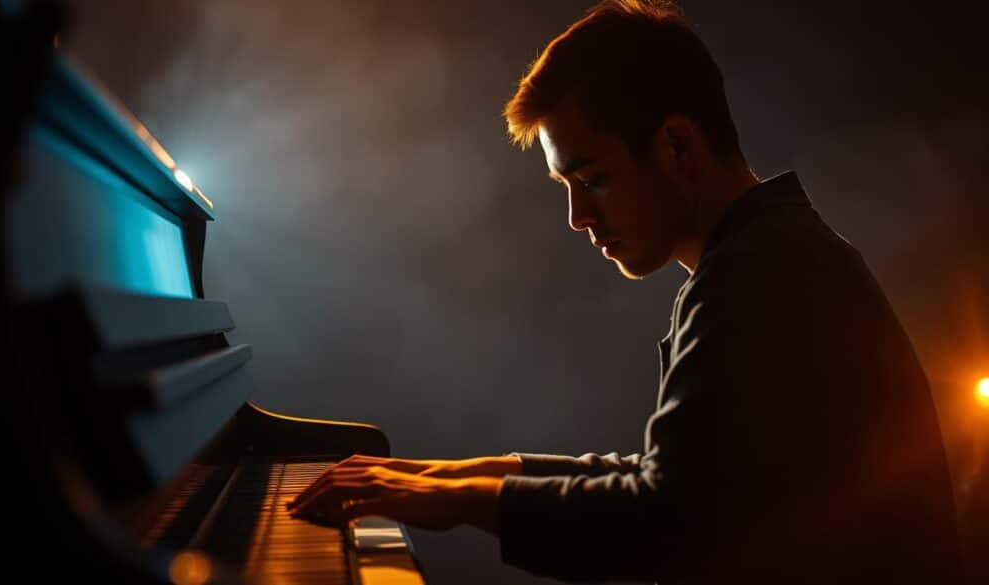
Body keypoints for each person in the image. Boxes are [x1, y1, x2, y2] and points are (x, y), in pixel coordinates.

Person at [288, 1, 963, 582]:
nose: (578, 217)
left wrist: (462, 501)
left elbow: (665, 516)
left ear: (677, 146)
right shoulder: (766, 252)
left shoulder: (760, 274)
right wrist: (463, 473)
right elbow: (688, 477)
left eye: (593, 180)